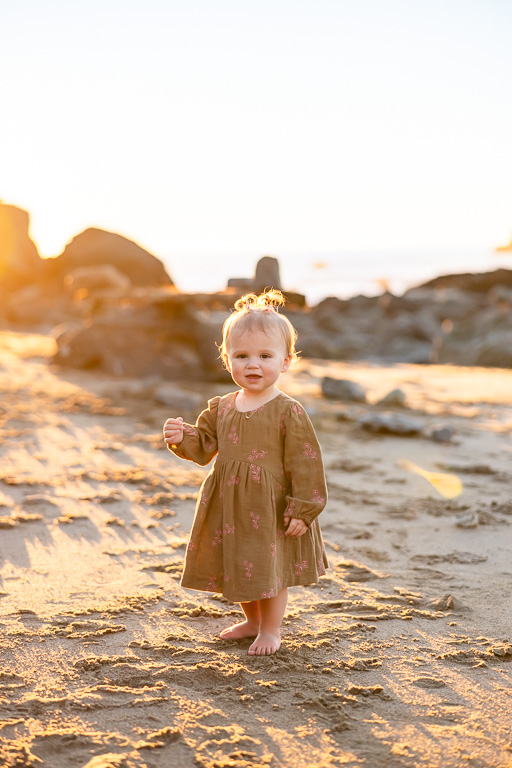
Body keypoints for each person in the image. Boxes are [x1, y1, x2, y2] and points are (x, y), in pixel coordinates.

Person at [163, 289, 328, 655]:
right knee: (239, 562)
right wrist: (182, 436)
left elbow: (306, 460)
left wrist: (303, 508)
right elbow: (205, 444)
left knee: (270, 567)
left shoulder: (288, 411)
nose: (253, 365)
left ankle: (270, 629)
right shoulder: (221, 406)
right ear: (227, 359)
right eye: (242, 356)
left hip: (271, 506)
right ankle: (251, 621)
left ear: (285, 362)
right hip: (230, 502)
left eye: (265, 356)